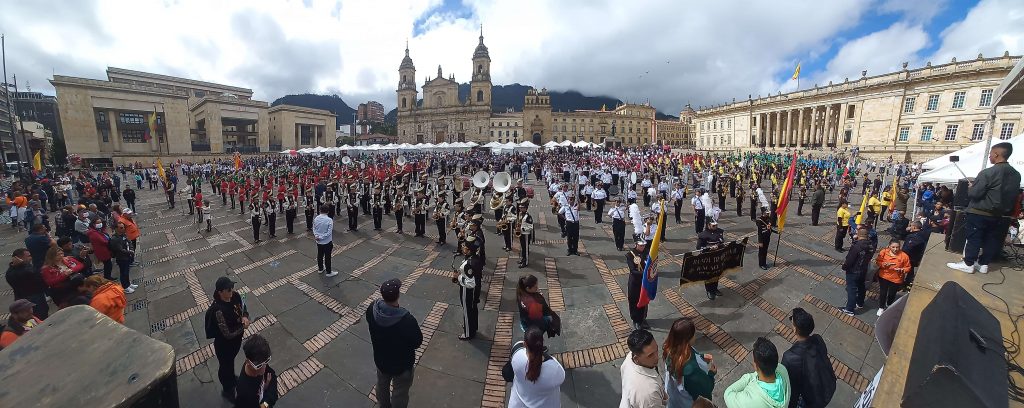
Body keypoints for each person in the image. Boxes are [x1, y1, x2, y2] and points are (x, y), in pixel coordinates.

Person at [948, 142, 1022, 274]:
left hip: (980, 211)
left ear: (996, 154)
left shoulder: (988, 172)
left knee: (974, 238)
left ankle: (968, 263)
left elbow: (975, 194)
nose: (989, 156)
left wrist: (972, 187)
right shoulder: (1016, 175)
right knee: (991, 239)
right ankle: (983, 264)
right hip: (1000, 214)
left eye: (990, 154)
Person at [366, 278, 423, 408]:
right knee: (400, 393)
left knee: (381, 385)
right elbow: (417, 342)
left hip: (381, 360)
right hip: (402, 365)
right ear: (398, 295)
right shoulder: (406, 320)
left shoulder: (371, 309)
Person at [780, 308, 836, 408]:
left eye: (791, 321)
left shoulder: (789, 357)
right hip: (826, 388)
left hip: (810, 399)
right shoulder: (818, 338)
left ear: (795, 329)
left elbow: (790, 387)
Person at [207, 276, 249, 403]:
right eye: (228, 289)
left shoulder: (235, 296)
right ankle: (227, 390)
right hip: (224, 346)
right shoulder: (218, 310)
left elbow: (243, 306)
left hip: (235, 343)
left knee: (230, 364)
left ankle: (231, 379)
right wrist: (243, 326)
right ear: (220, 292)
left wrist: (245, 316)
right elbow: (227, 334)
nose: (232, 291)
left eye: (232, 287)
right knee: (225, 366)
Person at [662, 318, 716, 408]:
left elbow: (690, 354)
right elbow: (705, 390)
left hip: (675, 399)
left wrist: (701, 357)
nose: (695, 336)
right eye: (694, 334)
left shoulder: (670, 349)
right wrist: (711, 374)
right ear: (687, 339)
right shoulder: (692, 371)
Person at [723, 337, 791, 408]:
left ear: (755, 366)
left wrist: (748, 377)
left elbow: (728, 394)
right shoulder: (782, 370)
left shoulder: (749, 401)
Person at [508, 327, 566, 408]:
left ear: (525, 344)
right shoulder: (554, 370)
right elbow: (561, 377)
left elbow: (519, 345)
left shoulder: (516, 355)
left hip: (518, 403)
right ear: (542, 343)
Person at [620, 329, 667, 408]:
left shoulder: (629, 358)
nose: (656, 357)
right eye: (650, 355)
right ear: (636, 359)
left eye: (656, 350)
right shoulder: (649, 393)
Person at [235, 334, 279, 408]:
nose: (264, 368)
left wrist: (265, 403)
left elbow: (273, 377)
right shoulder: (243, 392)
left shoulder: (260, 361)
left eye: (267, 361)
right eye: (259, 366)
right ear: (248, 362)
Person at [5, 248, 49, 319]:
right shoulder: (25, 270)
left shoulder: (10, 271)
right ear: (20, 258)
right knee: (40, 316)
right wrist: (24, 264)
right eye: (28, 256)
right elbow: (36, 275)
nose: (31, 258)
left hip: (30, 297)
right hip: (33, 298)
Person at [839, 229, 872, 316]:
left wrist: (844, 267)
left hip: (853, 271)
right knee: (861, 286)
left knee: (851, 289)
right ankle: (860, 303)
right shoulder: (870, 245)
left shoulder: (856, 246)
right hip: (863, 270)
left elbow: (850, 260)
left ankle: (849, 309)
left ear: (858, 234)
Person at [455, 238, 483, 340]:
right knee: (472, 308)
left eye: (465, 248)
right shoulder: (474, 258)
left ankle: (468, 333)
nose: (463, 248)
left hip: (468, 291)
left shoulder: (469, 263)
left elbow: (470, 283)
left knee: (467, 310)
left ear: (469, 250)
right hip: (475, 289)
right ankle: (472, 327)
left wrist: (458, 277)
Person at [875, 239, 910, 316]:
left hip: (896, 278)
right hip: (884, 276)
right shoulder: (884, 252)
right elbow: (878, 261)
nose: (895, 249)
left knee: (892, 293)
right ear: (889, 246)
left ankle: (889, 303)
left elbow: (908, 268)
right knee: (883, 292)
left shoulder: (904, 256)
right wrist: (884, 264)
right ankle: (881, 307)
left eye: (897, 247)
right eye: (893, 247)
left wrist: (902, 269)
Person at [697, 220, 725, 300]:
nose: (715, 227)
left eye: (716, 225)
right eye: (713, 226)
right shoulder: (703, 235)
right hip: (708, 258)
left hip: (717, 257)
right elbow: (698, 247)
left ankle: (715, 288)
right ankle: (709, 290)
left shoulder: (719, 232)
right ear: (708, 225)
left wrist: (718, 246)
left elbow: (722, 242)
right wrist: (709, 248)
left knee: (716, 273)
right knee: (709, 275)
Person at [626, 240, 650, 330]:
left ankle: (642, 318)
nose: (642, 247)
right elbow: (632, 270)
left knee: (644, 300)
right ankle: (635, 320)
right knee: (634, 301)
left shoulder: (647, 252)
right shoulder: (630, 255)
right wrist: (645, 273)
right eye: (640, 245)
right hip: (635, 282)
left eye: (644, 245)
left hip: (645, 282)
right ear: (636, 244)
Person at [109, 222, 137, 294]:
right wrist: (130, 252)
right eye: (121, 228)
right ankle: (125, 287)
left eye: (123, 227)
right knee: (123, 272)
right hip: (121, 258)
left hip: (127, 256)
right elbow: (120, 250)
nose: (123, 229)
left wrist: (131, 249)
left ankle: (128, 284)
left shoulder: (123, 234)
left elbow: (129, 242)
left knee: (127, 271)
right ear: (116, 229)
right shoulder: (114, 239)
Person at [312, 205, 338, 277]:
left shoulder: (316, 218)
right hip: (327, 241)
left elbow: (314, 228)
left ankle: (320, 268)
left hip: (318, 241)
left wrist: (317, 236)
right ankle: (329, 272)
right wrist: (322, 237)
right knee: (327, 257)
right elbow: (328, 232)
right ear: (328, 211)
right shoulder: (329, 220)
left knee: (320, 255)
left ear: (320, 210)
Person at [902, 221, 929, 288]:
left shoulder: (913, 237)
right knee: (911, 270)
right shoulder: (923, 233)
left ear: (914, 227)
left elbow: (908, 248)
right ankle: (908, 281)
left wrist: (901, 255)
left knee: (906, 269)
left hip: (911, 257)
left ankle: (905, 283)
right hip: (917, 256)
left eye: (911, 226)